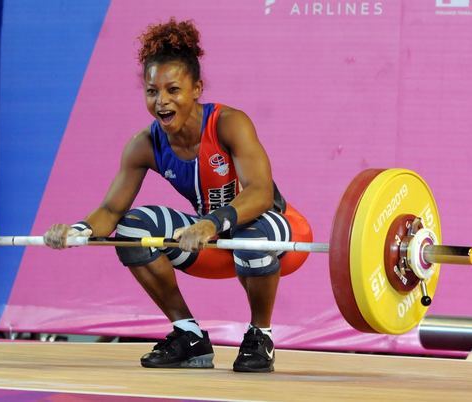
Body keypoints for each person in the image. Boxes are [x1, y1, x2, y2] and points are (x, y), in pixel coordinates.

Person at [45, 18, 312, 373]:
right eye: (152, 91)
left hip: (276, 235)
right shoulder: (145, 145)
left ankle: (260, 335)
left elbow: (261, 193)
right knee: (133, 229)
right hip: (212, 244)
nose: (161, 101)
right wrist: (77, 231)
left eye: (173, 90)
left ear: (197, 88)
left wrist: (210, 224)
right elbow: (111, 208)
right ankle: (188, 335)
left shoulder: (229, 123)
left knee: (252, 234)